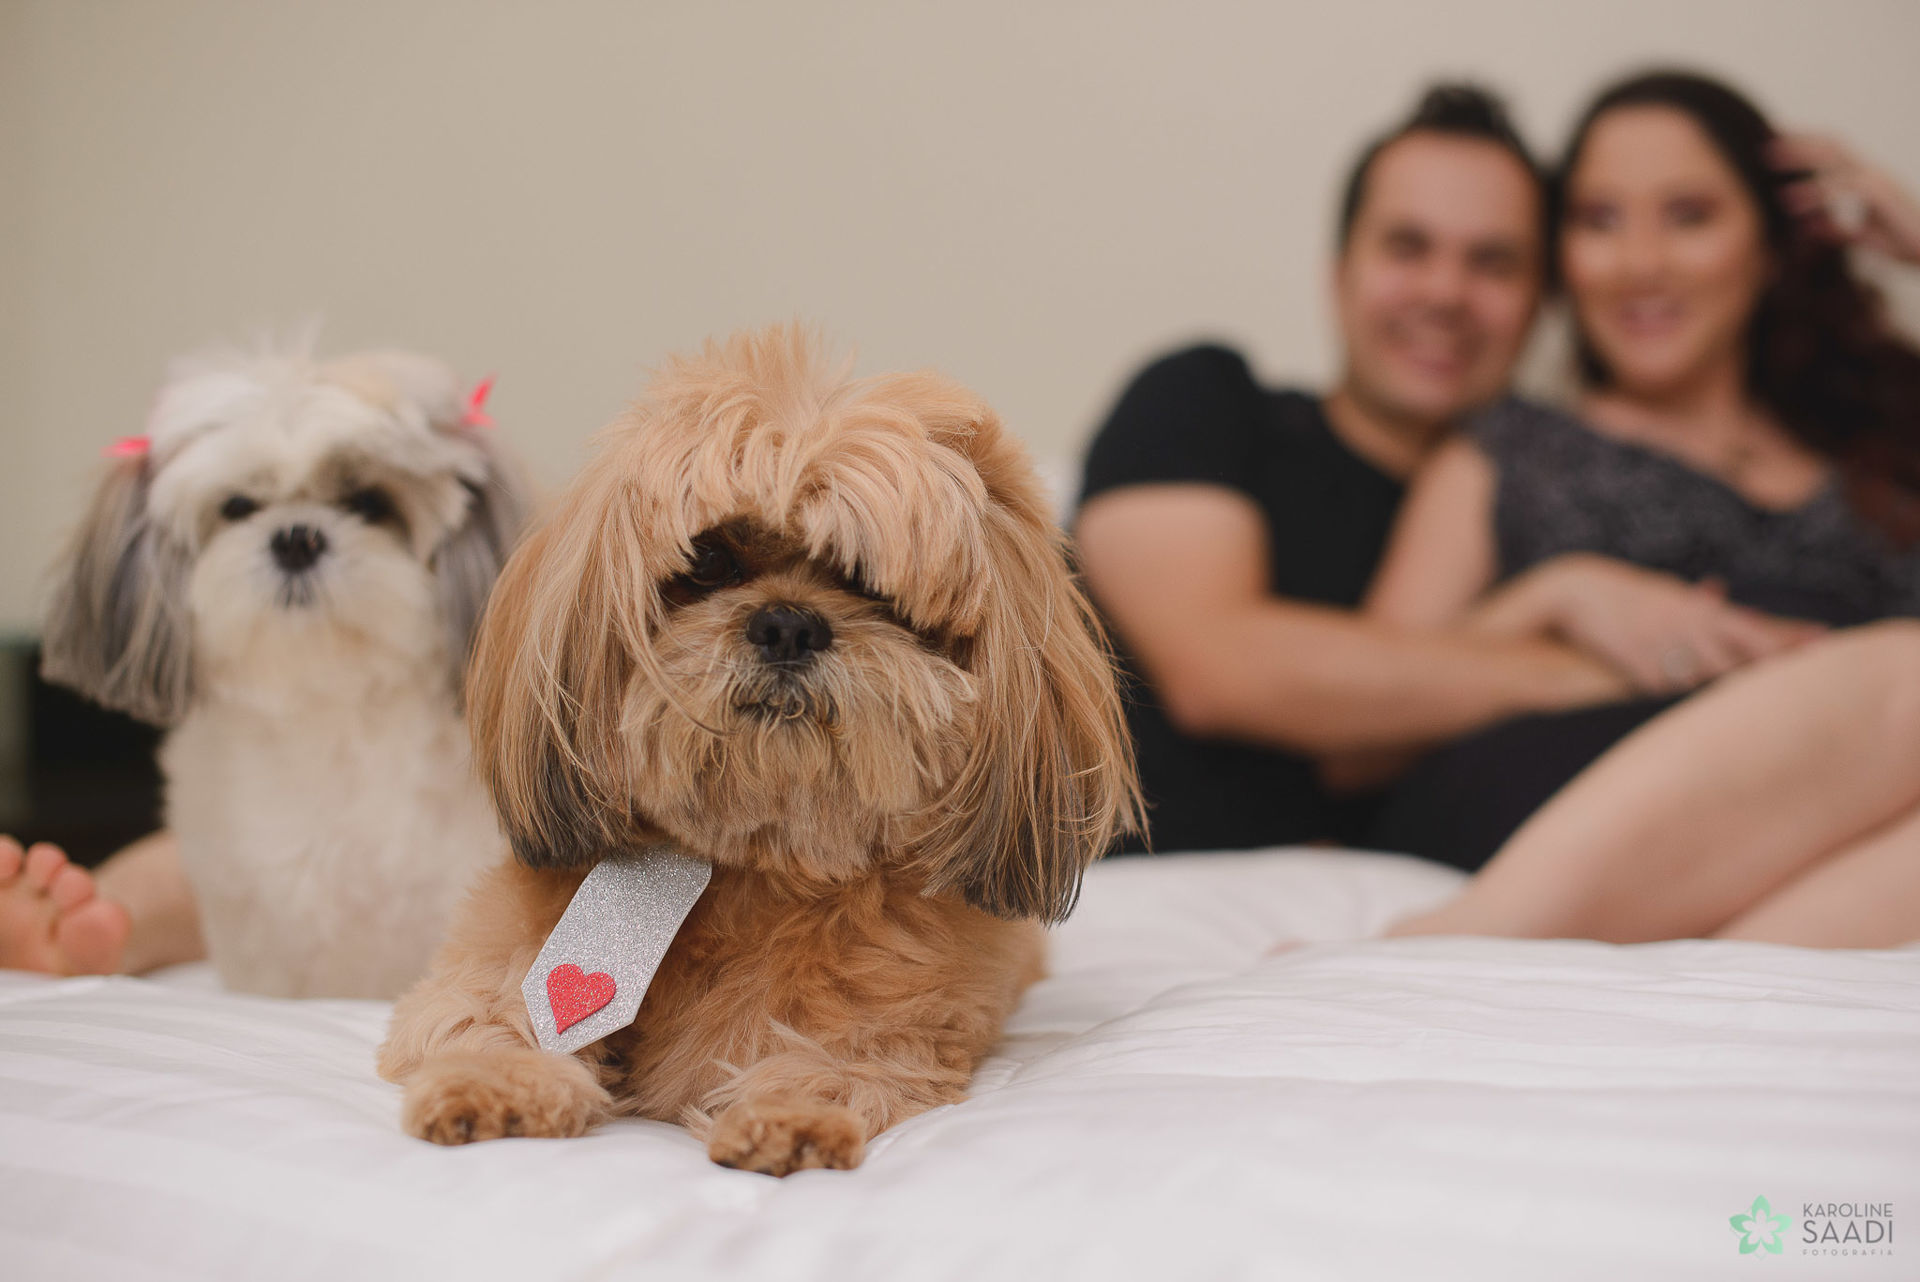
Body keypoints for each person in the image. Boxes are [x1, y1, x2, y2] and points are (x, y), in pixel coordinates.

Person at [1074, 84, 1811, 855]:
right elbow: (1216, 670)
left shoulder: (1537, 502)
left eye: (1492, 262)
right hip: (1076, 872)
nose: (1445, 292)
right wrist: (1573, 625)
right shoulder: (1208, 397)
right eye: (1407, 248)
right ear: (1340, 273)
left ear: (1539, 302)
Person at [1355, 70, 1920, 877]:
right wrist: (1552, 596)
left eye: (1689, 217)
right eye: (1599, 220)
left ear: (1771, 247)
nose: (1640, 263)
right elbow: (1357, 734)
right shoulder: (1512, 449)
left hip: (1845, 857)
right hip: (1583, 838)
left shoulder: (1885, 446)